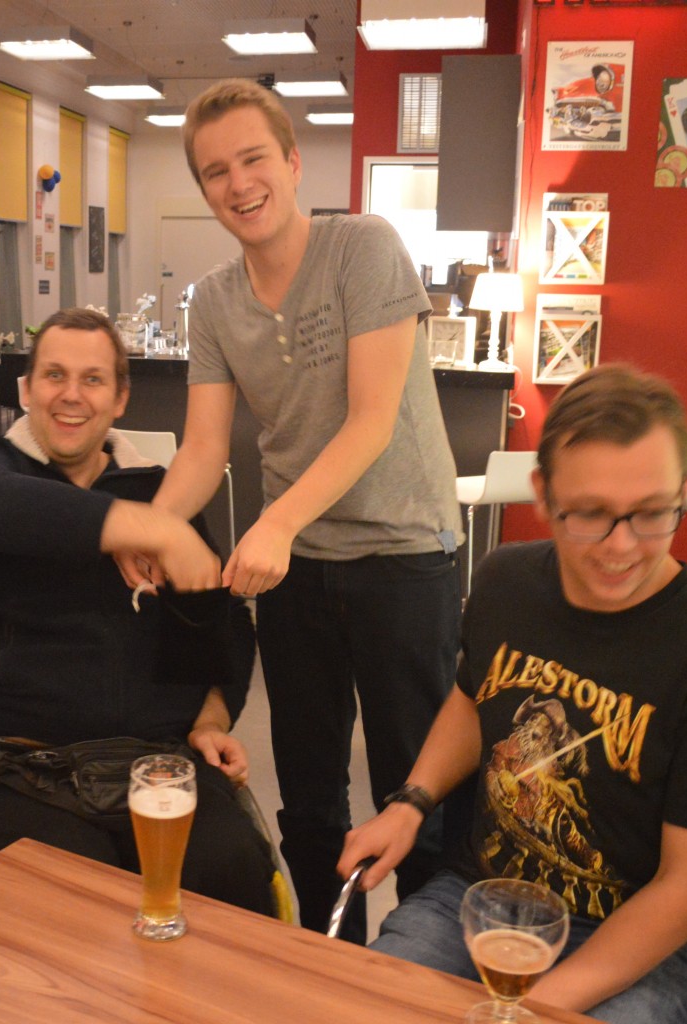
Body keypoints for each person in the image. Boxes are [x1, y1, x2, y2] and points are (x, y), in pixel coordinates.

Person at [338, 364, 687, 1023]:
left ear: (683, 491)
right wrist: (411, 802)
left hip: (637, 938)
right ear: (543, 494)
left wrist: (526, 1009)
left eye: (652, 513)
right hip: (480, 898)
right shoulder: (504, 581)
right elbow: (474, 700)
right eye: (591, 514)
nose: (622, 546)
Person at [150, 79, 464, 941]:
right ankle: (330, 959)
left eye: (253, 159)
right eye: (216, 171)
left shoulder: (363, 247)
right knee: (310, 790)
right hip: (297, 572)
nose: (239, 183)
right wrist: (154, 525)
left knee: (414, 787)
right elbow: (203, 449)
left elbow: (372, 420)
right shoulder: (214, 301)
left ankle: (423, 965)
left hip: (404, 552)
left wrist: (276, 521)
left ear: (292, 163)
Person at [0, 307, 275, 916]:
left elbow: (222, 625)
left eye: (92, 380)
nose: (71, 396)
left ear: (120, 399)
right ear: (26, 389)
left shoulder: (159, 492)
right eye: (54, 375)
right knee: (81, 889)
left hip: (144, 757)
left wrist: (212, 718)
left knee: (232, 869)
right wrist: (147, 530)